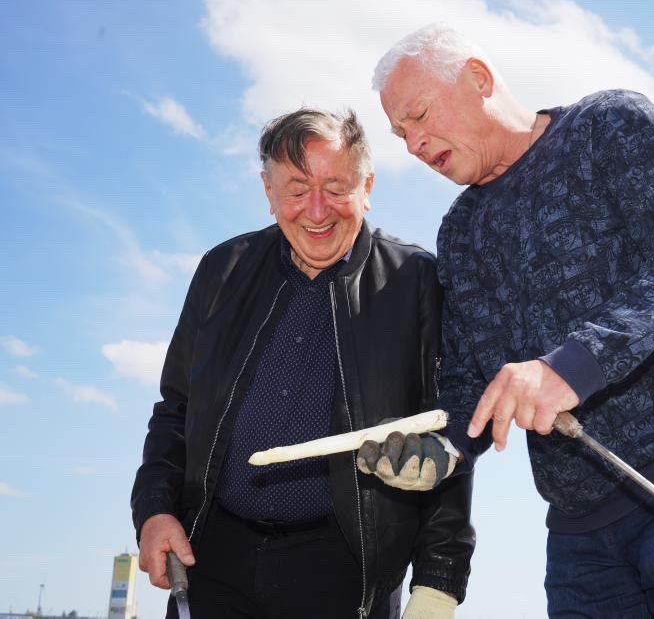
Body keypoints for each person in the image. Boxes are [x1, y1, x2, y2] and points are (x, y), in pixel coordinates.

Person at [358, 23, 654, 618]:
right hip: (580, 523)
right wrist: (444, 446)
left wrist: (573, 366)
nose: (411, 143)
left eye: (419, 114)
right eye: (401, 132)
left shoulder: (608, 125)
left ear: (478, 78)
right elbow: (471, 378)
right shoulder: (459, 233)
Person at [131, 108, 475, 619]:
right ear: (268, 193)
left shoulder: (419, 282)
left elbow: (448, 434)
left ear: (368, 186)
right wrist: (154, 511)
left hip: (345, 570)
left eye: (336, 187)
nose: (316, 210)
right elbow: (175, 410)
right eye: (295, 189)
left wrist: (438, 581)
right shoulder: (220, 271)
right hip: (213, 558)